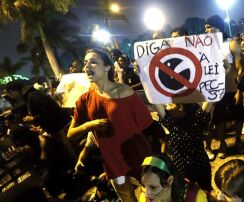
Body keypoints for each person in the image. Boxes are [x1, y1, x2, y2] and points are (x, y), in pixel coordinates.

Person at [67, 48, 154, 202]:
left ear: (107, 67)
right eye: (86, 63)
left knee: (153, 191)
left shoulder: (125, 91)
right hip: (113, 160)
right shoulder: (84, 100)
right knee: (127, 197)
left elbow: (146, 122)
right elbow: (70, 133)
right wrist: (89, 125)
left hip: (137, 152)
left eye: (93, 62)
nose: (87, 66)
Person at [204, 15, 244, 159]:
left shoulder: (231, 43)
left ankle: (238, 141)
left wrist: (239, 88)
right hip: (217, 89)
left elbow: (240, 66)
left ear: (218, 27)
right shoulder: (206, 46)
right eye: (205, 28)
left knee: (238, 115)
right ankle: (222, 144)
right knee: (219, 118)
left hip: (233, 87)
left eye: (209, 27)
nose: (206, 30)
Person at [153, 102, 214, 192]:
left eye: (170, 104)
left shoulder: (197, 119)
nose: (167, 106)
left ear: (180, 107)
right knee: (187, 194)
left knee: (206, 191)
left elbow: (209, 100)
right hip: (183, 171)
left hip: (200, 167)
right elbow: (156, 102)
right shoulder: (172, 123)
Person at [139, 154, 208, 202]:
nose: (146, 194)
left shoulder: (195, 198)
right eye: (144, 186)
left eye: (153, 187)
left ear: (170, 180)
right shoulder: (144, 199)